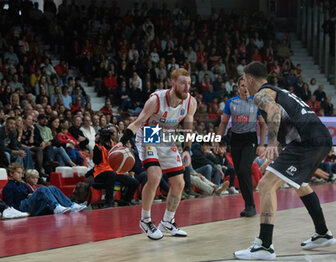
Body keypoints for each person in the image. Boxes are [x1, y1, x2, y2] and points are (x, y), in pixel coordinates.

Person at [234, 62, 335, 260]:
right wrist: (277, 152)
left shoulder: (262, 95)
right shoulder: (279, 92)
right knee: (301, 184)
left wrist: (271, 144)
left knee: (265, 185)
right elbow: (287, 125)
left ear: (251, 79)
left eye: (244, 80)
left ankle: (264, 245)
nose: (244, 83)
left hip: (305, 141)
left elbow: (274, 113)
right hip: (320, 138)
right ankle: (322, 233)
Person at [118, 68, 197, 240]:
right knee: (154, 176)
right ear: (173, 83)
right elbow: (138, 121)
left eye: (189, 83)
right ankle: (145, 220)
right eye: (183, 83)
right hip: (149, 133)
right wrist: (123, 140)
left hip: (168, 136)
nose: (187, 87)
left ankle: (168, 221)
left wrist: (187, 149)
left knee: (179, 182)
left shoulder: (191, 102)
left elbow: (188, 129)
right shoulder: (156, 100)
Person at [215, 76, 266, 217]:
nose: (245, 89)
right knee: (240, 172)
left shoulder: (257, 102)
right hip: (236, 140)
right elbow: (224, 123)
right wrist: (217, 140)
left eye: (247, 86)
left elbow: (262, 124)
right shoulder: (231, 103)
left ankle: (251, 205)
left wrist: (261, 145)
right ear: (238, 87)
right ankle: (248, 205)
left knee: (244, 169)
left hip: (250, 139)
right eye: (242, 86)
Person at [2, 163, 86, 216]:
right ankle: (56, 206)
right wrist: (21, 213)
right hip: (22, 207)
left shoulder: (22, 184)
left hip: (30, 203)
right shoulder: (8, 187)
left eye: (21, 173)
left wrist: (31, 195)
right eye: (18, 173)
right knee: (42, 188)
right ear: (11, 174)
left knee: (51, 187)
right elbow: (10, 205)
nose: (20, 175)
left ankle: (71, 205)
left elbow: (34, 194)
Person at [92, 128, 139, 207]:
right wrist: (98, 150)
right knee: (111, 174)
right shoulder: (98, 147)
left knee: (134, 182)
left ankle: (126, 200)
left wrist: (125, 171)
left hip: (114, 172)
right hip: (100, 173)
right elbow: (96, 161)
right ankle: (108, 201)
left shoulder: (115, 146)